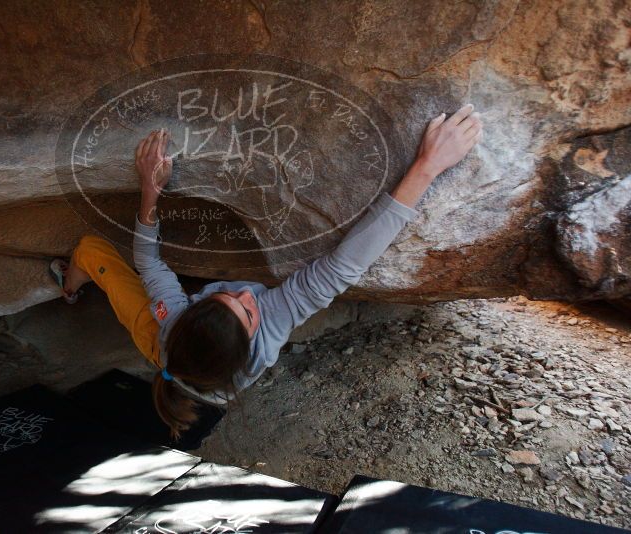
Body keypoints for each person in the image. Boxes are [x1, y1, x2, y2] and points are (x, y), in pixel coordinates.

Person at [52, 104, 483, 438]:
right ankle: (72, 289)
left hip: (160, 345)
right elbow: (344, 266)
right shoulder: (274, 321)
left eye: (232, 298)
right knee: (96, 253)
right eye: (244, 307)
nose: (249, 296)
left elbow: (150, 263)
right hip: (190, 358)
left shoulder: (168, 323)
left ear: (191, 308)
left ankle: (68, 286)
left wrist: (149, 191)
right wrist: (426, 167)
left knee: (91, 251)